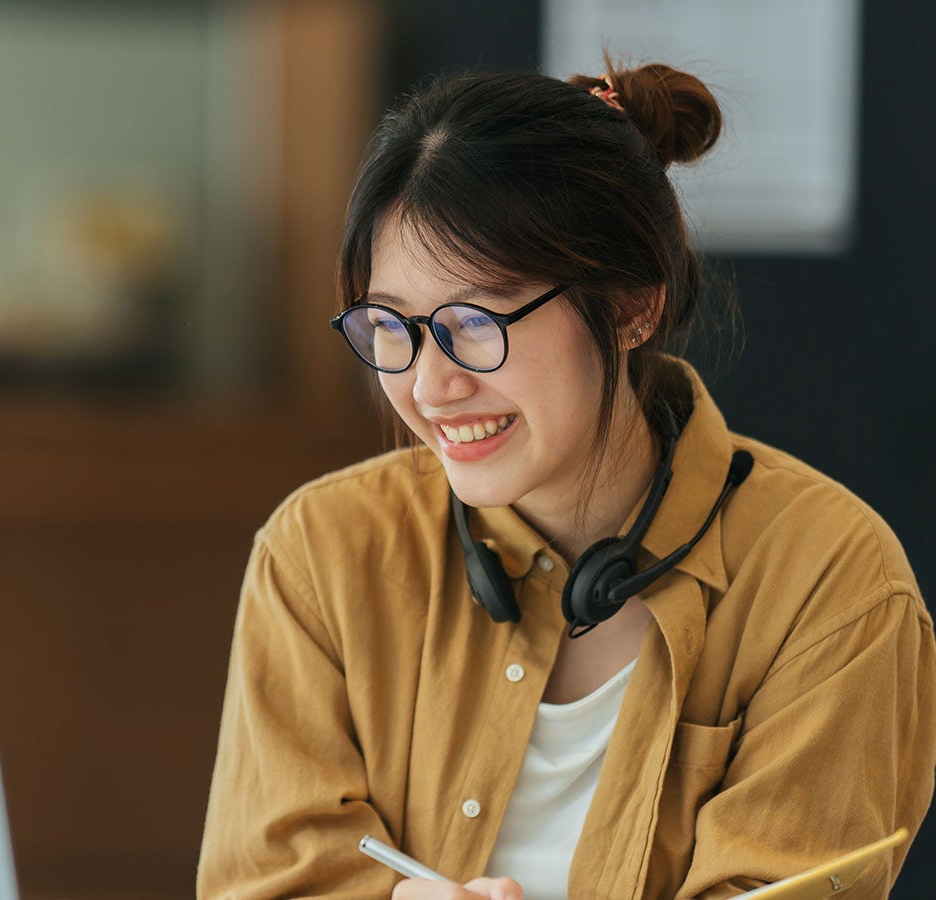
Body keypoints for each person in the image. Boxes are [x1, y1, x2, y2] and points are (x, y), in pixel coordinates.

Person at [197, 57, 936, 900]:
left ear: (630, 305)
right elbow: (268, 879)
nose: (430, 386)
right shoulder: (323, 554)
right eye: (389, 324)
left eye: (474, 321)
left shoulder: (831, 584)